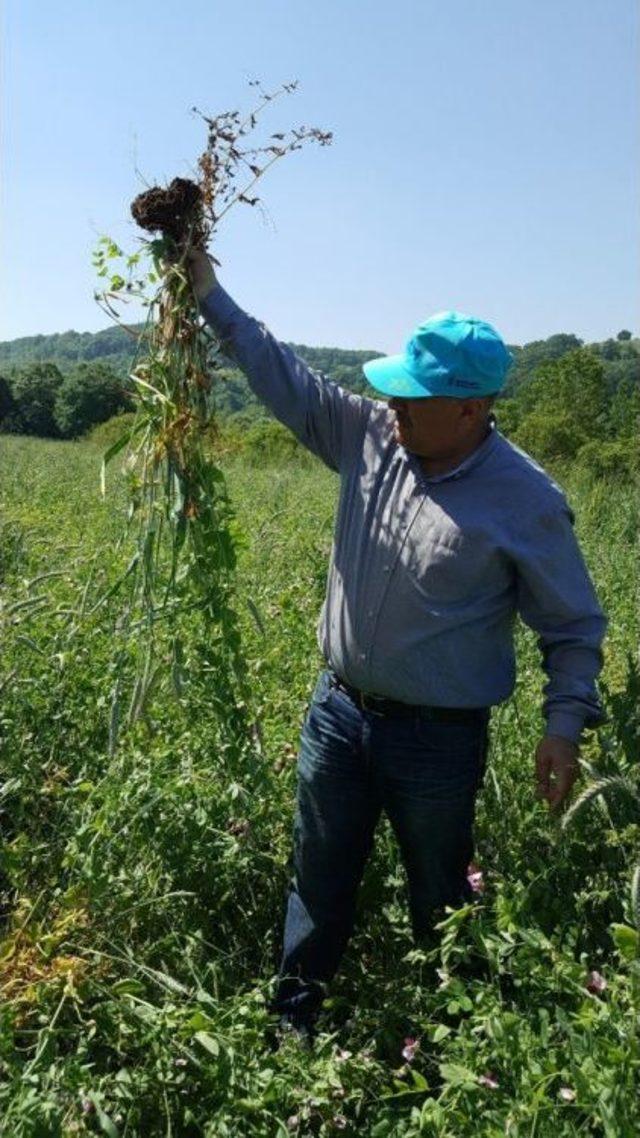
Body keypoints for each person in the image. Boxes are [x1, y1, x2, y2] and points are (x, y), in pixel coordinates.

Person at [187, 250, 607, 1041]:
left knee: (439, 895)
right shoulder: (371, 437)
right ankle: (292, 1027)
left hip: (437, 743)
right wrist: (207, 292)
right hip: (338, 717)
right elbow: (279, 372)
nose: (395, 405)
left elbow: (574, 627)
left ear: (474, 408)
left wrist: (564, 723)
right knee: (318, 877)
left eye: (417, 397)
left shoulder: (526, 500)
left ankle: (453, 1044)